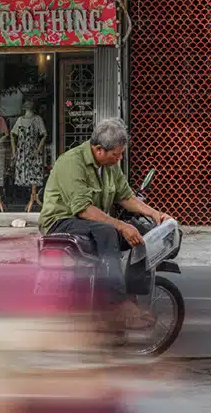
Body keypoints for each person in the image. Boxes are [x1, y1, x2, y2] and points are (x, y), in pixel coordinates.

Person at [38, 119, 171, 326]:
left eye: (121, 154)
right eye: (115, 155)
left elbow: (126, 196)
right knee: (108, 232)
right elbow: (82, 209)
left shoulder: (110, 166)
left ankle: (130, 296)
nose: (119, 159)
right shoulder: (72, 162)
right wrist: (120, 225)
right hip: (61, 221)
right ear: (98, 149)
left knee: (141, 235)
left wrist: (155, 214)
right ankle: (118, 303)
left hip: (90, 222)